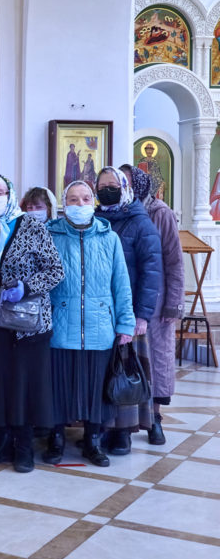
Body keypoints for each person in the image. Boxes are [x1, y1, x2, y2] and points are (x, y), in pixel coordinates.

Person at [0, 175, 64, 473]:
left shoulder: (31, 226)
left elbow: (56, 270)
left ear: (10, 194)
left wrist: (26, 286)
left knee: (24, 385)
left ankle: (24, 447)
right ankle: (1, 442)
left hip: (27, 323)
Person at [44, 180, 135, 468]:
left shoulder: (109, 238)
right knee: (59, 388)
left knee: (96, 390)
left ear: (93, 201)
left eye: (85, 198)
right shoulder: (50, 234)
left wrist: (125, 324)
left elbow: (121, 284)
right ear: (64, 203)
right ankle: (55, 439)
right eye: (73, 199)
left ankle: (93, 441)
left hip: (99, 327)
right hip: (60, 325)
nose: (80, 204)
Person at [94, 166, 163, 455]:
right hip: (98, 311)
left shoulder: (140, 222)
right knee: (101, 372)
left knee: (126, 370)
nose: (107, 189)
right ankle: (100, 427)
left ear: (125, 188)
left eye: (113, 185)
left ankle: (123, 432)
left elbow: (151, 270)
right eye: (102, 185)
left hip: (129, 311)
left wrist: (142, 315)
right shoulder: (94, 218)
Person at [123, 163, 183, 445]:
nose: (125, 189)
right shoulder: (117, 213)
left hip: (157, 302)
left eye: (127, 183)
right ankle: (125, 421)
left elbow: (174, 262)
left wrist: (173, 303)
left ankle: (155, 420)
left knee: (156, 361)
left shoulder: (160, 213)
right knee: (125, 362)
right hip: (126, 297)